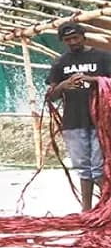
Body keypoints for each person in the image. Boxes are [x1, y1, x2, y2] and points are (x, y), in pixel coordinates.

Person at [46, 21, 111, 211]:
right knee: (83, 168)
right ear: (63, 41)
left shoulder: (103, 57)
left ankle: (105, 208)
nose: (73, 42)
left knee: (100, 167)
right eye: (68, 40)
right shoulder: (60, 63)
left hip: (101, 120)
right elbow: (51, 95)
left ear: (84, 36)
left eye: (75, 37)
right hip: (73, 122)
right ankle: (87, 210)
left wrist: (92, 80)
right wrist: (62, 86)